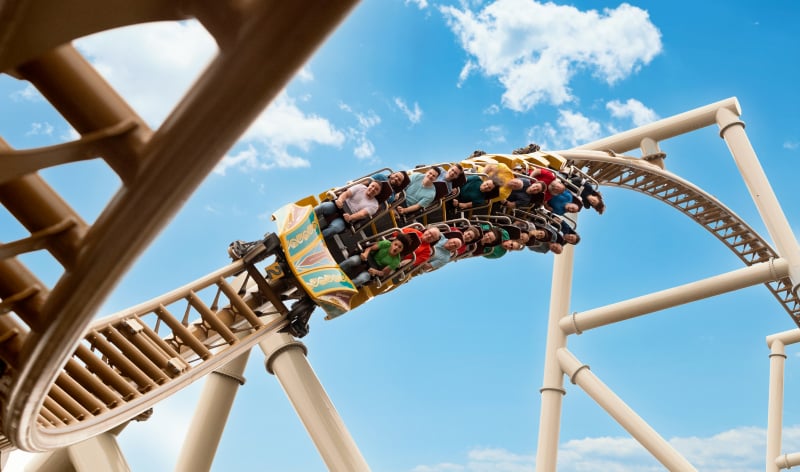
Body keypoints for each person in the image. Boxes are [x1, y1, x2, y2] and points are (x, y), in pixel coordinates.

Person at [339, 232, 414, 287]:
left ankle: (343, 287)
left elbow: (383, 273)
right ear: (392, 243)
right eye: (395, 244)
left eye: (399, 247)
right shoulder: (386, 243)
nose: (396, 247)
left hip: (372, 270)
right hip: (366, 258)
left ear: (401, 250)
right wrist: (365, 254)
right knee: (352, 261)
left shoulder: (396, 261)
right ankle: (336, 271)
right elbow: (370, 248)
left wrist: (376, 272)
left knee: (361, 279)